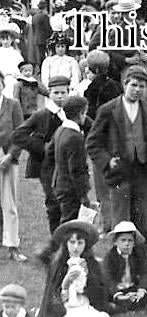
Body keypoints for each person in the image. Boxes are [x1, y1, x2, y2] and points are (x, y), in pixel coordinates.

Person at [86, 66, 147, 248]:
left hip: (142, 172)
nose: (138, 90)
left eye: (142, 86)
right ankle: (119, 265)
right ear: (125, 84)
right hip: (119, 173)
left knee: (142, 221)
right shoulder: (108, 110)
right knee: (121, 221)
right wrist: (107, 161)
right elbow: (92, 142)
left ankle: (140, 266)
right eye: (134, 85)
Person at [12, 73, 69, 234]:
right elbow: (18, 135)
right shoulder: (41, 115)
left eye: (63, 92)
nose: (59, 96)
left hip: (68, 165)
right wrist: (42, 147)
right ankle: (55, 242)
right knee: (53, 202)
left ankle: (69, 245)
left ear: (68, 92)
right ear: (49, 94)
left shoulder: (72, 114)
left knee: (69, 203)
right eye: (55, 93)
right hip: (46, 165)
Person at [38, 220, 109, 317]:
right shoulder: (58, 264)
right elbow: (53, 294)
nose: (76, 247)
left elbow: (100, 294)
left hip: (84, 304)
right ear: (66, 243)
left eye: (80, 243)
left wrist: (88, 277)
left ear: (85, 244)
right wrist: (65, 284)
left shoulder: (92, 264)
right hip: (64, 308)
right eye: (72, 242)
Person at [50, 95, 91, 224]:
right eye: (85, 113)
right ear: (80, 113)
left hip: (60, 183)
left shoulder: (60, 130)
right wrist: (83, 195)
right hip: (71, 189)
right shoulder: (75, 137)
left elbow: (49, 152)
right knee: (71, 224)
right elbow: (76, 169)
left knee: (67, 221)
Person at [102, 221, 147, 312]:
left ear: (134, 242)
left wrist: (141, 290)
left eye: (130, 240)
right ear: (116, 242)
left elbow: (146, 272)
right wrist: (118, 294)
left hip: (132, 287)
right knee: (102, 293)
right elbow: (107, 278)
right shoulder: (110, 256)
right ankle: (119, 305)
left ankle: (133, 303)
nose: (127, 244)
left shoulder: (138, 254)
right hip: (117, 288)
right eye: (123, 240)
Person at [0, 93, 24, 261]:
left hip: (7, 157)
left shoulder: (13, 105)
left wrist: (10, 155)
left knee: (9, 204)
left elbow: (20, 133)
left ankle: (12, 246)